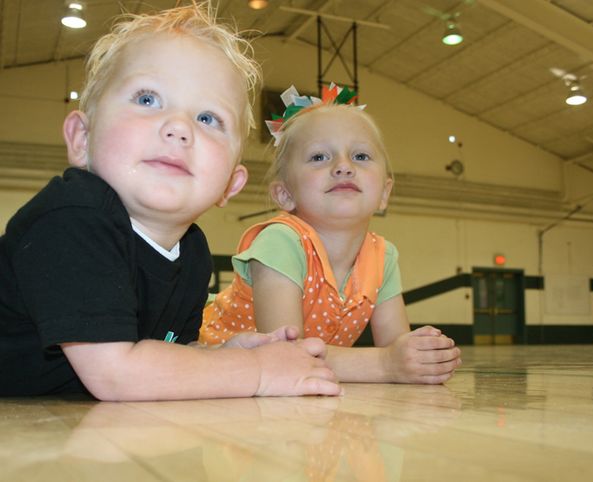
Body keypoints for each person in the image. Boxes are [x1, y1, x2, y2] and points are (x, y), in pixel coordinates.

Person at [0, 2, 341, 400]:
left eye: (209, 118)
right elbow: (117, 375)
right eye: (147, 99)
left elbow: (164, 356)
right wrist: (256, 370)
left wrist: (219, 354)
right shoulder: (73, 217)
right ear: (81, 139)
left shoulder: (192, 252)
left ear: (230, 184)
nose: (178, 127)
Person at [199, 84, 462, 384]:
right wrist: (388, 365)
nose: (343, 167)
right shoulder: (280, 242)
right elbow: (285, 356)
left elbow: (395, 348)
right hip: (212, 368)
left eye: (361, 156)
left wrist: (423, 358)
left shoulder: (382, 256)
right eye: (319, 157)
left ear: (384, 193)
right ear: (284, 195)